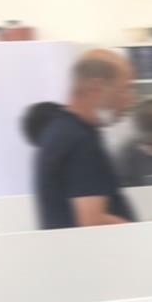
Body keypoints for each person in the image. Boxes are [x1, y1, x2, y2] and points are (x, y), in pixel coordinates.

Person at [34, 50, 138, 229]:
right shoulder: (79, 142)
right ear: (96, 87)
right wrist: (143, 233)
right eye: (125, 89)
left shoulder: (59, 130)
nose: (131, 100)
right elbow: (93, 222)